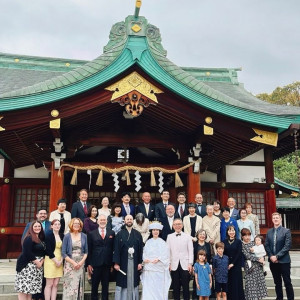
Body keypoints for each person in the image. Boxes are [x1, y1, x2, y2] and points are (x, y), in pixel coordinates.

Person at [113, 215, 143, 300]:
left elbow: (140, 249)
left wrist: (140, 262)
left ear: (133, 221)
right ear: (124, 221)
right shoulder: (120, 234)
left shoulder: (137, 234)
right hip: (123, 262)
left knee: (134, 282)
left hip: (134, 261)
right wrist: (116, 263)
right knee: (123, 282)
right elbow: (116, 249)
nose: (129, 220)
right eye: (127, 219)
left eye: (130, 219)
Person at [265, 212, 294, 300]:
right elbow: (267, 245)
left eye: (277, 218)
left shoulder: (286, 231)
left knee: (287, 282)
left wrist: (277, 256)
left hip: (284, 261)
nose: (275, 219)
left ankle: (290, 298)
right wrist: (271, 256)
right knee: (277, 282)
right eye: (274, 218)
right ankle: (279, 298)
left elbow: (287, 246)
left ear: (280, 219)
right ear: (272, 220)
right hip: (273, 262)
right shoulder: (269, 232)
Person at [15, 221, 46, 300]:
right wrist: (37, 262)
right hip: (27, 267)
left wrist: (41, 262)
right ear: (31, 228)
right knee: (24, 289)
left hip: (37, 268)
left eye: (39, 226)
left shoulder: (41, 238)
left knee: (30, 290)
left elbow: (44, 252)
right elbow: (27, 252)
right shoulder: (29, 238)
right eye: (35, 226)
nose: (37, 228)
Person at [141, 222, 171, 300]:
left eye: (157, 230)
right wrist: (145, 259)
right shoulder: (148, 242)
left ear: (159, 231)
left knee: (159, 288)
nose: (155, 232)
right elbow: (144, 252)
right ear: (151, 231)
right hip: (149, 269)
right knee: (149, 288)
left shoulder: (162, 242)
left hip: (159, 269)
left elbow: (166, 254)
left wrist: (159, 259)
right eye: (154, 230)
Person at [87, 214, 115, 300]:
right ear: (97, 221)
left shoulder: (111, 232)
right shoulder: (91, 234)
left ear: (106, 221)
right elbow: (89, 250)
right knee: (94, 286)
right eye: (101, 220)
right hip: (95, 263)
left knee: (105, 286)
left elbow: (113, 248)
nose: (102, 221)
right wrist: (89, 264)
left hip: (107, 264)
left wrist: (112, 264)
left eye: (104, 220)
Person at [167, 218, 193, 300]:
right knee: (175, 286)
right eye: (175, 224)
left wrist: (190, 263)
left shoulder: (187, 236)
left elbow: (190, 251)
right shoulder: (169, 236)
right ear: (173, 226)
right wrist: (169, 264)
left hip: (185, 264)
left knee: (186, 286)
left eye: (179, 224)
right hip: (174, 264)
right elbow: (167, 251)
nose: (177, 226)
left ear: (182, 225)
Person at [62, 218, 88, 300]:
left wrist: (80, 263)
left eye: (78, 224)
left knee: (78, 285)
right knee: (69, 286)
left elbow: (86, 252)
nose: (76, 225)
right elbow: (63, 253)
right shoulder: (67, 236)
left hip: (80, 264)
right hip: (70, 264)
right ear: (71, 225)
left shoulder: (84, 236)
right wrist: (73, 263)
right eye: (75, 223)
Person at [241, 228, 268, 300]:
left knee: (258, 285)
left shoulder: (254, 242)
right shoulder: (242, 245)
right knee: (250, 285)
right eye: (245, 235)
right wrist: (258, 259)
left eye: (249, 235)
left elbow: (261, 250)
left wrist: (262, 258)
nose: (247, 237)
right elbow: (247, 255)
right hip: (250, 267)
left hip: (258, 267)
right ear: (242, 236)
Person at [223, 225, 245, 300]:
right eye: (230, 231)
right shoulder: (224, 241)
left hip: (236, 265)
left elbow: (239, 253)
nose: (231, 232)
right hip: (227, 265)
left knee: (236, 283)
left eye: (233, 230)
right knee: (229, 283)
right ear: (227, 232)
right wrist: (227, 264)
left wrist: (233, 263)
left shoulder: (238, 241)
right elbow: (224, 253)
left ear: (235, 232)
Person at [44, 219, 64, 300]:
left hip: (60, 259)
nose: (57, 226)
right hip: (50, 259)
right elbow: (48, 250)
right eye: (55, 224)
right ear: (52, 226)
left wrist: (61, 260)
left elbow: (64, 249)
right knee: (50, 284)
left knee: (56, 284)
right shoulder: (48, 235)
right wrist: (56, 261)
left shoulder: (62, 235)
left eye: (58, 224)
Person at [193, 230, 211, 300]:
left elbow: (210, 256)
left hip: (206, 267)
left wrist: (210, 265)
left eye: (204, 234)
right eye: (200, 234)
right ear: (197, 235)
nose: (202, 236)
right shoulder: (194, 245)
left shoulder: (208, 245)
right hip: (197, 267)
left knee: (206, 290)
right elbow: (193, 255)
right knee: (198, 287)